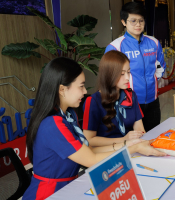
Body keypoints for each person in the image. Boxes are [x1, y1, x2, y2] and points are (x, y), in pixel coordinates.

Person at [23, 57, 165, 200]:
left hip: (69, 186)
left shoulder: (68, 115)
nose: (85, 91)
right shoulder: (53, 124)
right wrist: (134, 148)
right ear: (62, 89)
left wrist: (127, 144)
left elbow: (86, 151)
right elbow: (91, 159)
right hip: (49, 193)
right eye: (81, 86)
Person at [105, 2, 166, 132]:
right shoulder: (115, 47)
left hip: (152, 101)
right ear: (123, 22)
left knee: (153, 135)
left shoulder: (154, 43)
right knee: (134, 140)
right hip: (127, 102)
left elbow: (161, 67)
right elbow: (110, 77)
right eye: (133, 21)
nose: (138, 24)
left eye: (141, 20)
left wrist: (153, 80)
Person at [82, 50, 145, 147]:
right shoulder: (93, 101)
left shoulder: (130, 95)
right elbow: (89, 140)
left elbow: (140, 130)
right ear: (109, 74)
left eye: (128, 72)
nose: (128, 78)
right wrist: (123, 140)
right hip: (105, 153)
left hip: (130, 147)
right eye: (122, 74)